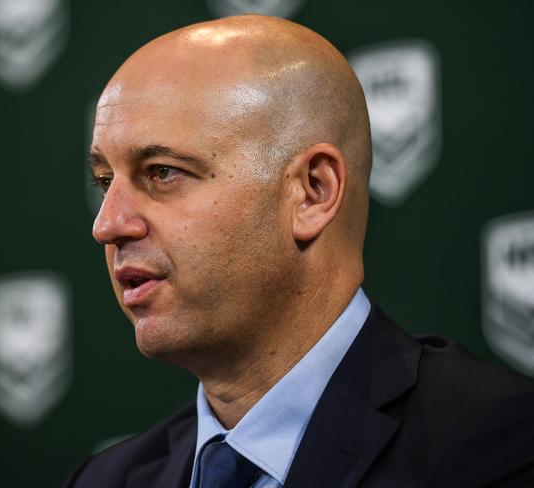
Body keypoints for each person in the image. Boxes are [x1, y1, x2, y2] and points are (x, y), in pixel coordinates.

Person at [66, 14, 534, 488]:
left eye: (162, 172)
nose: (106, 225)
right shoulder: (105, 480)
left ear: (312, 192)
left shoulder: (505, 451)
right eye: (104, 182)